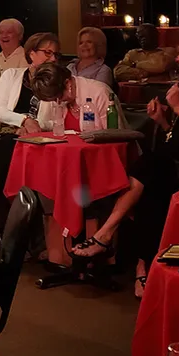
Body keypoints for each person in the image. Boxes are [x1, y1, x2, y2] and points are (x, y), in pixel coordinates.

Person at [75, 26, 179, 297]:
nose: (178, 57)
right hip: (177, 165)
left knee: (149, 170)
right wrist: (163, 121)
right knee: (150, 176)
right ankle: (138, 263)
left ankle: (112, 241)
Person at [29, 62, 116, 265]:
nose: (57, 102)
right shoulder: (52, 96)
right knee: (44, 184)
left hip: (98, 164)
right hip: (65, 165)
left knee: (85, 191)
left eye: (59, 96)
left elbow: (115, 135)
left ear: (68, 83)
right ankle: (59, 255)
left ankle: (94, 257)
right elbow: (44, 127)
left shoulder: (99, 92)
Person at [0, 32, 60, 227]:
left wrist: (34, 128)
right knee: (4, 154)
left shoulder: (57, 82)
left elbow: (56, 121)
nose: (52, 59)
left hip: (39, 140)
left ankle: (29, 230)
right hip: (6, 136)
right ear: (31, 53)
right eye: (47, 53)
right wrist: (24, 120)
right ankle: (5, 228)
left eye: (55, 55)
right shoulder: (11, 75)